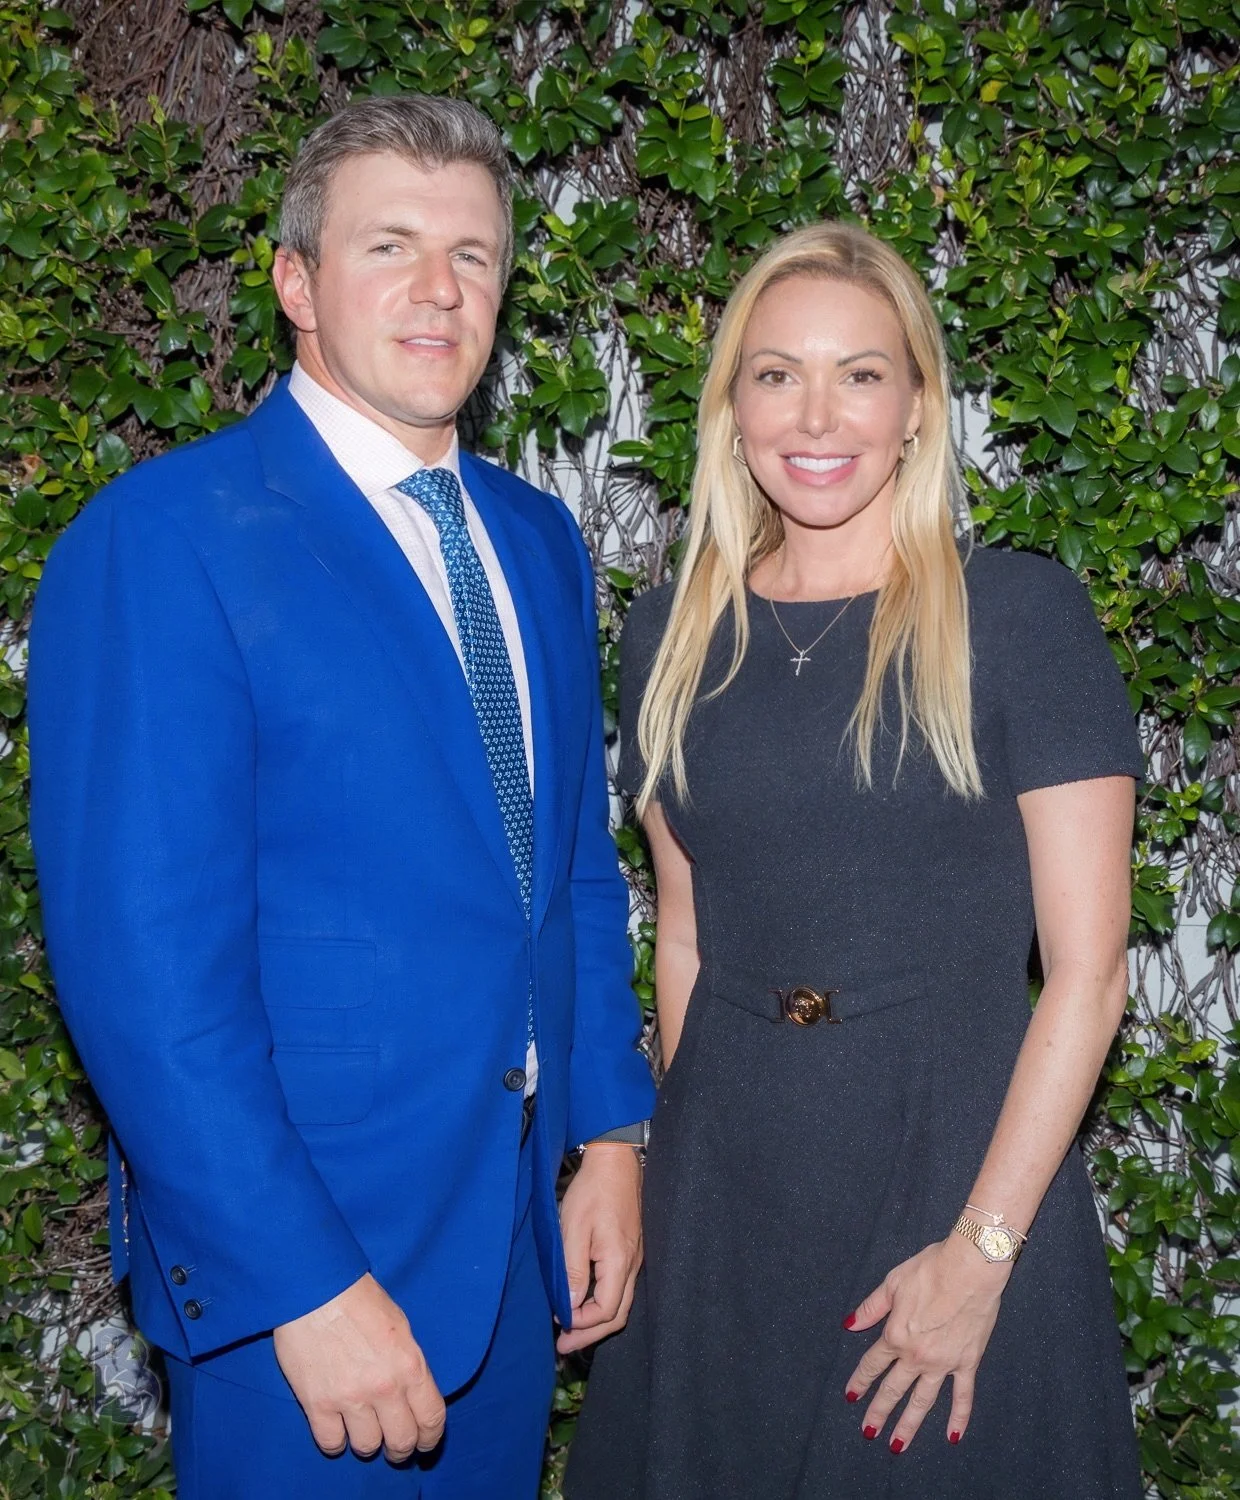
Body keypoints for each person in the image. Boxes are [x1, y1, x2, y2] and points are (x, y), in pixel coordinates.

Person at [29, 94, 654, 1500]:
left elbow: (569, 874)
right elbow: (144, 977)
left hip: (509, 1254)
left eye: (476, 255)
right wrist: (301, 1285)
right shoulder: (161, 541)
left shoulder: (539, 540)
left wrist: (609, 1136)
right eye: (392, 246)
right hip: (302, 1291)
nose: (441, 288)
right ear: (297, 282)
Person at [565, 221, 1144, 1499]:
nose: (815, 413)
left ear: (919, 408)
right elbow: (688, 938)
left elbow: (1089, 977)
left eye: (860, 373)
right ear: (730, 407)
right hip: (727, 1191)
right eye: (775, 373)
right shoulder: (668, 632)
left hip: (954, 1171)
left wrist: (981, 1254)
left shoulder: (1019, 616)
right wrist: (667, 1178)